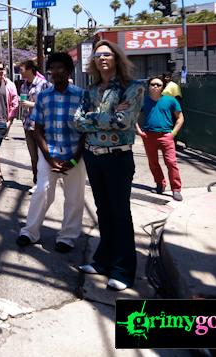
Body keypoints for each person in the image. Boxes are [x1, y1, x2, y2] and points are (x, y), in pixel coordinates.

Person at [73, 40, 144, 291]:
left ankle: (123, 271)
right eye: (98, 55)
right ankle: (103, 261)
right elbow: (77, 122)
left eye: (107, 54)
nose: (102, 58)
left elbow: (124, 121)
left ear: (117, 58)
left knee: (120, 213)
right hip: (94, 157)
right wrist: (106, 116)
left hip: (118, 158)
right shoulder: (90, 91)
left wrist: (93, 118)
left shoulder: (132, 88)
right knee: (103, 211)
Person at [17, 53, 86, 252]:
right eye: (52, 68)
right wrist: (48, 157)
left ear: (69, 70)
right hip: (49, 154)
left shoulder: (82, 95)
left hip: (74, 155)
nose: (55, 72)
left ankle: (67, 237)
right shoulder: (44, 96)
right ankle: (30, 232)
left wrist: (75, 159)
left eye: (60, 67)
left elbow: (86, 130)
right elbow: (38, 128)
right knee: (41, 192)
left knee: (74, 198)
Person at [137, 76, 185, 201]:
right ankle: (160, 184)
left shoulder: (171, 100)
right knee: (153, 163)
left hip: (166, 136)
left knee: (171, 162)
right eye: (153, 84)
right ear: (148, 86)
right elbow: (133, 116)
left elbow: (180, 118)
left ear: (163, 87)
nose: (155, 86)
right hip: (149, 136)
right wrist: (139, 132)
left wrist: (173, 134)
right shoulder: (143, 101)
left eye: (158, 85)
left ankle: (176, 189)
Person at [19, 59, 50, 190]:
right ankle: (36, 181)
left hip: (40, 125)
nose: (20, 73)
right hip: (28, 124)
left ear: (30, 70)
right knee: (33, 156)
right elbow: (23, 101)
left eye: (22, 70)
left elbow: (49, 104)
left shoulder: (43, 84)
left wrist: (31, 104)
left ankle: (44, 182)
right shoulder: (23, 85)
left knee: (43, 155)